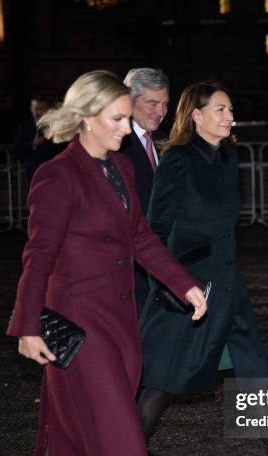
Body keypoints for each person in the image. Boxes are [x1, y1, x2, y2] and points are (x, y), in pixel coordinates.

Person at [6, 70, 208, 456]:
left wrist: (184, 285)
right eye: (118, 117)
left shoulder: (118, 165)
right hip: (75, 328)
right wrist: (27, 327)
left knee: (68, 435)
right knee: (121, 431)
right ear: (86, 118)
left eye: (127, 116)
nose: (128, 126)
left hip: (119, 325)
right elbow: (38, 257)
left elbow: (140, 237)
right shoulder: (57, 176)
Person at [137, 81, 268, 456]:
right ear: (195, 115)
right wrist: (168, 284)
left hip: (230, 285)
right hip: (192, 289)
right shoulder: (178, 160)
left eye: (230, 108)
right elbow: (154, 231)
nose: (229, 115)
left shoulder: (228, 157)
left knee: (257, 376)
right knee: (165, 381)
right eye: (219, 109)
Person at [121, 68, 170, 318]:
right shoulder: (115, 144)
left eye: (164, 104)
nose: (160, 112)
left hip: (163, 259)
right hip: (129, 265)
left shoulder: (166, 141)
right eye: (152, 103)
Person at [11, 95, 63, 189]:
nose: (38, 113)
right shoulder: (25, 128)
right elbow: (16, 151)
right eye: (36, 109)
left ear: (48, 110)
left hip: (56, 174)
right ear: (31, 109)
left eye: (42, 109)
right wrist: (33, 144)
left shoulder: (57, 127)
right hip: (34, 176)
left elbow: (63, 148)